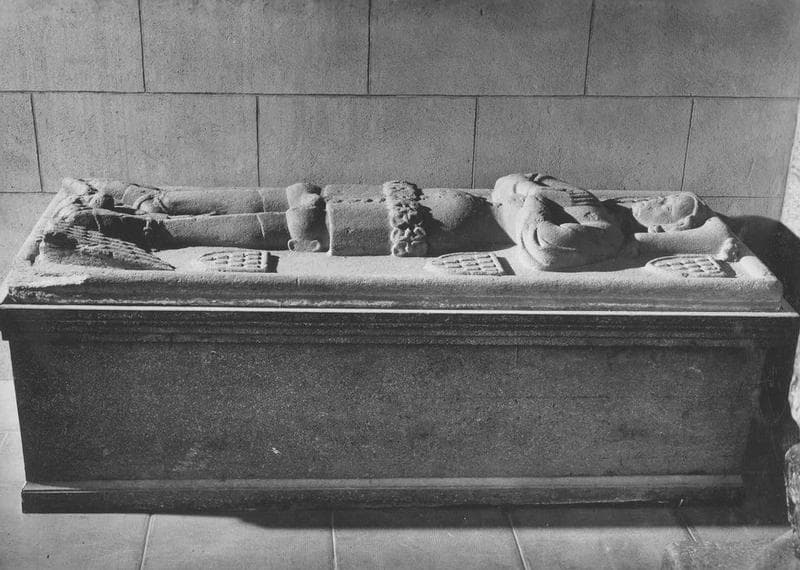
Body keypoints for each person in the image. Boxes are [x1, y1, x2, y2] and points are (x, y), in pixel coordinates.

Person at [52, 173, 737, 271]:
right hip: (421, 200)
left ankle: (139, 230)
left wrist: (526, 201)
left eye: (667, 206)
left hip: (429, 230)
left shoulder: (605, 229)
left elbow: (548, 247)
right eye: (663, 196)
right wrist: (526, 194)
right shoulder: (580, 196)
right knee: (296, 201)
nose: (655, 200)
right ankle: (147, 202)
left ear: (663, 226)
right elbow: (512, 182)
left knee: (288, 225)